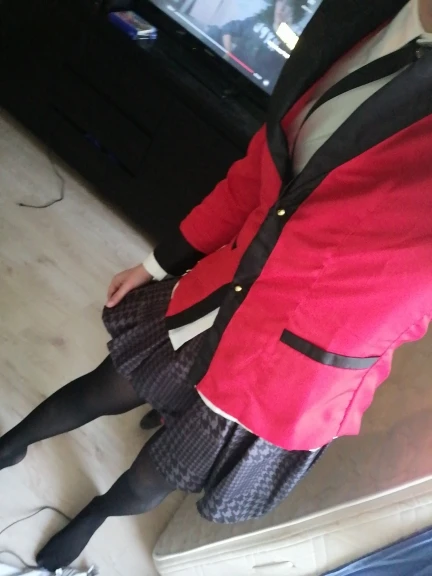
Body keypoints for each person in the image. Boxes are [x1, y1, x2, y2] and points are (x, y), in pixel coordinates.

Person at [1, 0, 432, 570]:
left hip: (288, 376)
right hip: (219, 293)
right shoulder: (363, 17)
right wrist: (157, 264)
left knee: (156, 474)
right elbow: (259, 176)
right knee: (104, 386)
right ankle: (11, 443)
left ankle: (95, 516)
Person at [208, 0, 312, 89]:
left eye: (288, 5)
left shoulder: (292, 40)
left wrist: (282, 30)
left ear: (295, 11)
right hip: (227, 66)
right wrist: (228, 52)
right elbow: (229, 28)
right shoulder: (260, 19)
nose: (281, 8)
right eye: (281, 1)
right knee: (213, 32)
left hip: (249, 85)